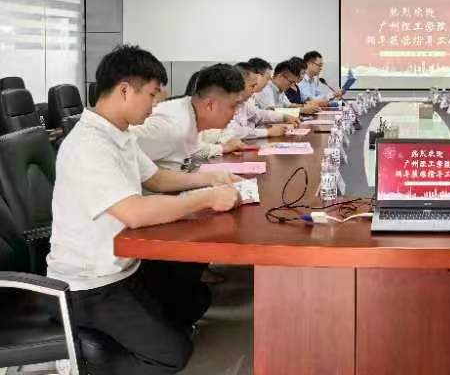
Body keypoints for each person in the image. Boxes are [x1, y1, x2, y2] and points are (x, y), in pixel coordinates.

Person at [46, 45, 242, 375]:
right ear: (125, 90)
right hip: (90, 285)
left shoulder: (118, 134)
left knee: (193, 299)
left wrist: (210, 181)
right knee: (173, 354)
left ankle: (125, 335)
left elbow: (158, 179)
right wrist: (204, 199)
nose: (155, 105)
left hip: (125, 267)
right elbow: (134, 213)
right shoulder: (89, 146)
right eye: (152, 95)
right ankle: (80, 357)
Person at [131, 63, 247, 170]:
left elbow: (193, 149)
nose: (236, 112)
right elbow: (123, 153)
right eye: (233, 106)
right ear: (210, 105)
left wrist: (222, 148)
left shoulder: (190, 114)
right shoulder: (169, 126)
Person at [224, 62, 291, 139]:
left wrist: (283, 117)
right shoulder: (224, 103)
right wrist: (268, 132)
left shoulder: (243, 103)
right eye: (252, 86)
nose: (254, 90)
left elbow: (259, 114)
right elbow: (233, 131)